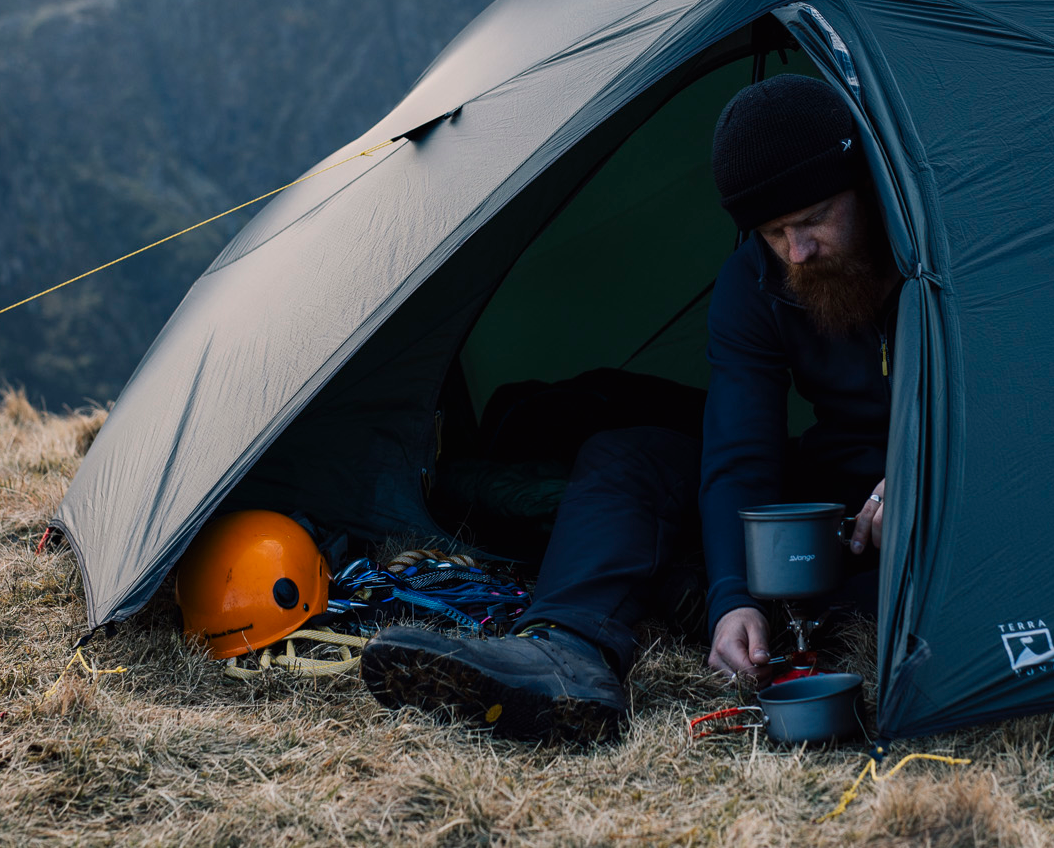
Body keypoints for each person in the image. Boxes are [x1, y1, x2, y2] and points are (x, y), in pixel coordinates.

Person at [360, 74, 899, 742]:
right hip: (832, 505)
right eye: (773, 231)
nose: (798, 252)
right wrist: (734, 594)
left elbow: (1031, 418)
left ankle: (754, 608)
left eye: (814, 219)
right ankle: (566, 654)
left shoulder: (943, 258)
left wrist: (923, 480)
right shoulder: (756, 281)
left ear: (865, 187)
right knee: (629, 455)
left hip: (945, 507)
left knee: (880, 592)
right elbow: (740, 449)